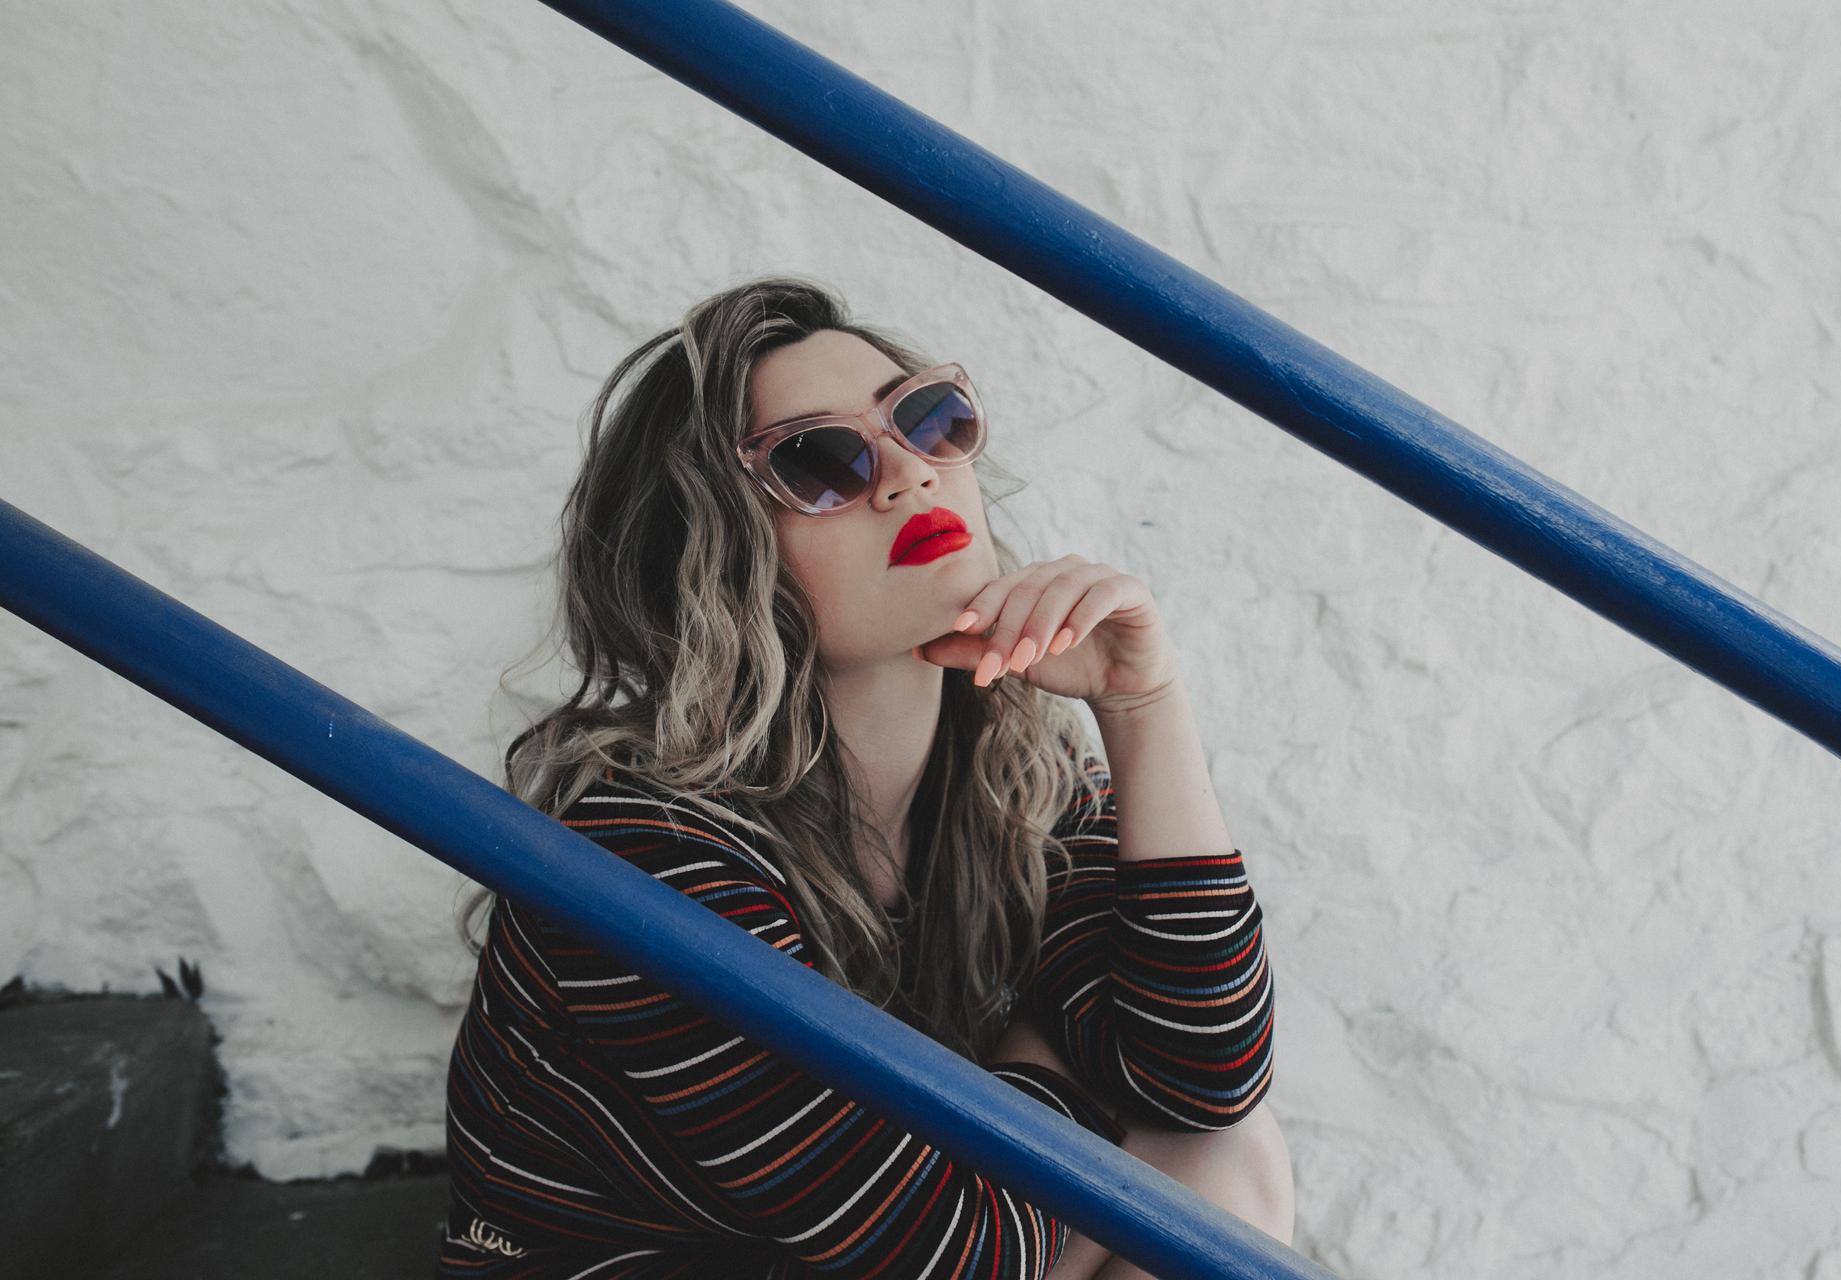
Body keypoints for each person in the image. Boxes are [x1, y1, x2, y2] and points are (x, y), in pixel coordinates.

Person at [440, 278, 1293, 1279]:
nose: (906, 475)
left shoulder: (1018, 773)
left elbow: (1206, 1079)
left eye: (929, 419)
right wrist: (1050, 1052)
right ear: (710, 552)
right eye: (822, 461)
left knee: (1225, 1151)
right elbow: (949, 1245)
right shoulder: (637, 854)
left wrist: (1143, 707)